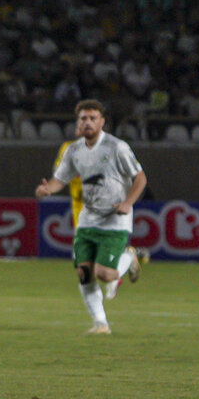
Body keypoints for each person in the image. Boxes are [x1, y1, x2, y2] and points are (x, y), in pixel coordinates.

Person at [36, 99, 147, 334]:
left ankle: (129, 257)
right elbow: (60, 178)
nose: (87, 122)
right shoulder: (73, 150)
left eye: (92, 118)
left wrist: (128, 203)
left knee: (105, 274)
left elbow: (140, 178)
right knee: (84, 273)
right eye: (83, 118)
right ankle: (100, 323)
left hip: (115, 220)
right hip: (87, 219)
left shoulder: (117, 147)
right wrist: (48, 189)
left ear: (102, 122)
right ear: (78, 122)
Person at [52, 120, 148, 300]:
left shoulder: (114, 148)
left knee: (94, 267)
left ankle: (118, 271)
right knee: (88, 264)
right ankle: (125, 261)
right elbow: (60, 173)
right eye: (80, 124)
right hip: (82, 213)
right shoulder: (69, 149)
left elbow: (133, 176)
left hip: (106, 210)